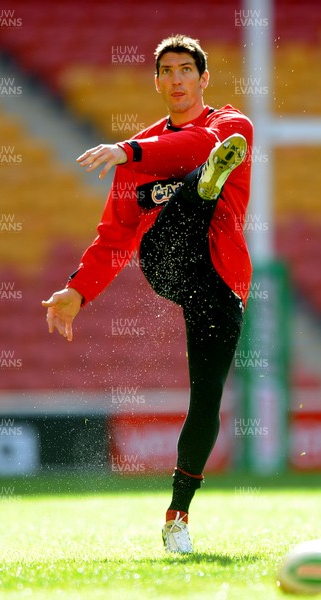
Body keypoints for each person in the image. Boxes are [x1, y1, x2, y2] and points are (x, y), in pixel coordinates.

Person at [42, 34, 253, 553]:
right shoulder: (136, 156)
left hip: (221, 282)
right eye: (167, 71)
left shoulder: (231, 127)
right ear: (157, 81)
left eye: (186, 70)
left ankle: (177, 515)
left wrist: (127, 149)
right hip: (169, 263)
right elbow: (114, 238)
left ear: (204, 79)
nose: (177, 79)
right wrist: (76, 291)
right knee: (181, 205)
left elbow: (198, 144)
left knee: (206, 400)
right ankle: (200, 189)